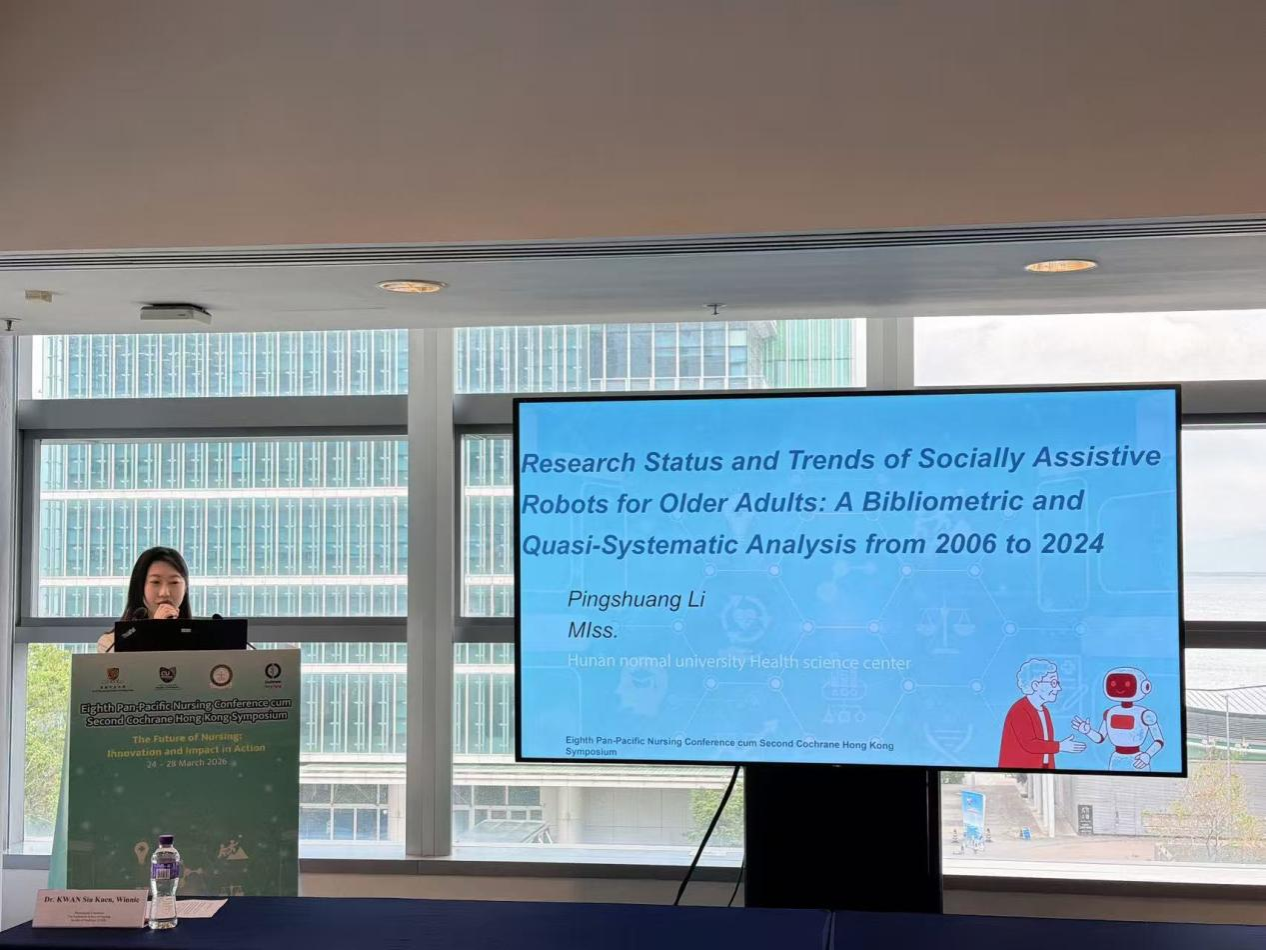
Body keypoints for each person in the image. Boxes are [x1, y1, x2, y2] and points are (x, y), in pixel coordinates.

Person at [97, 546, 192, 652]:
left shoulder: (200, 636)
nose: (164, 593)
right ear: (140, 586)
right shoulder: (110, 642)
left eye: (174, 582)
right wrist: (154, 630)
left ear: (185, 587)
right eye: (155, 582)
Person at [997, 658, 1086, 769]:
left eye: (1057, 683)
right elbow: (1030, 744)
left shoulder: (1045, 711)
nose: (1058, 688)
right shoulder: (1019, 710)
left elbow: (1046, 747)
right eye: (1053, 683)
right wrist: (1060, 746)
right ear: (1035, 685)